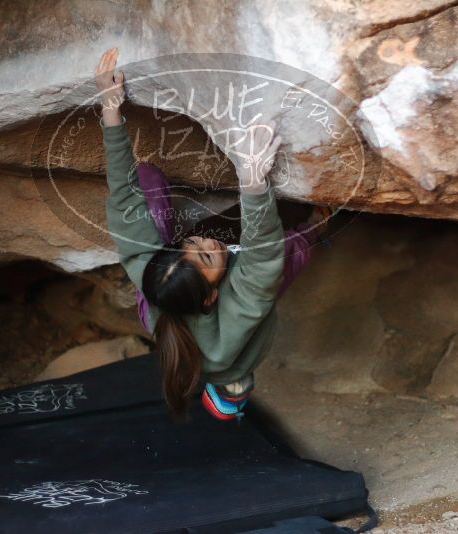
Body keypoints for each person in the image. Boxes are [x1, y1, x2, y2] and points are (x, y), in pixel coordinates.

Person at [95, 47, 330, 422]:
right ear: (213, 296)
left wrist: (110, 110)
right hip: (232, 355)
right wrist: (252, 182)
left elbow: (124, 197)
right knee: (288, 254)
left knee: (143, 184)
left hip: (175, 300)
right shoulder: (239, 318)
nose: (206, 241)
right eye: (206, 255)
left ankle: (186, 255)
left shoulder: (153, 275)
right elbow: (261, 257)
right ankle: (231, 394)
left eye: (188, 244)